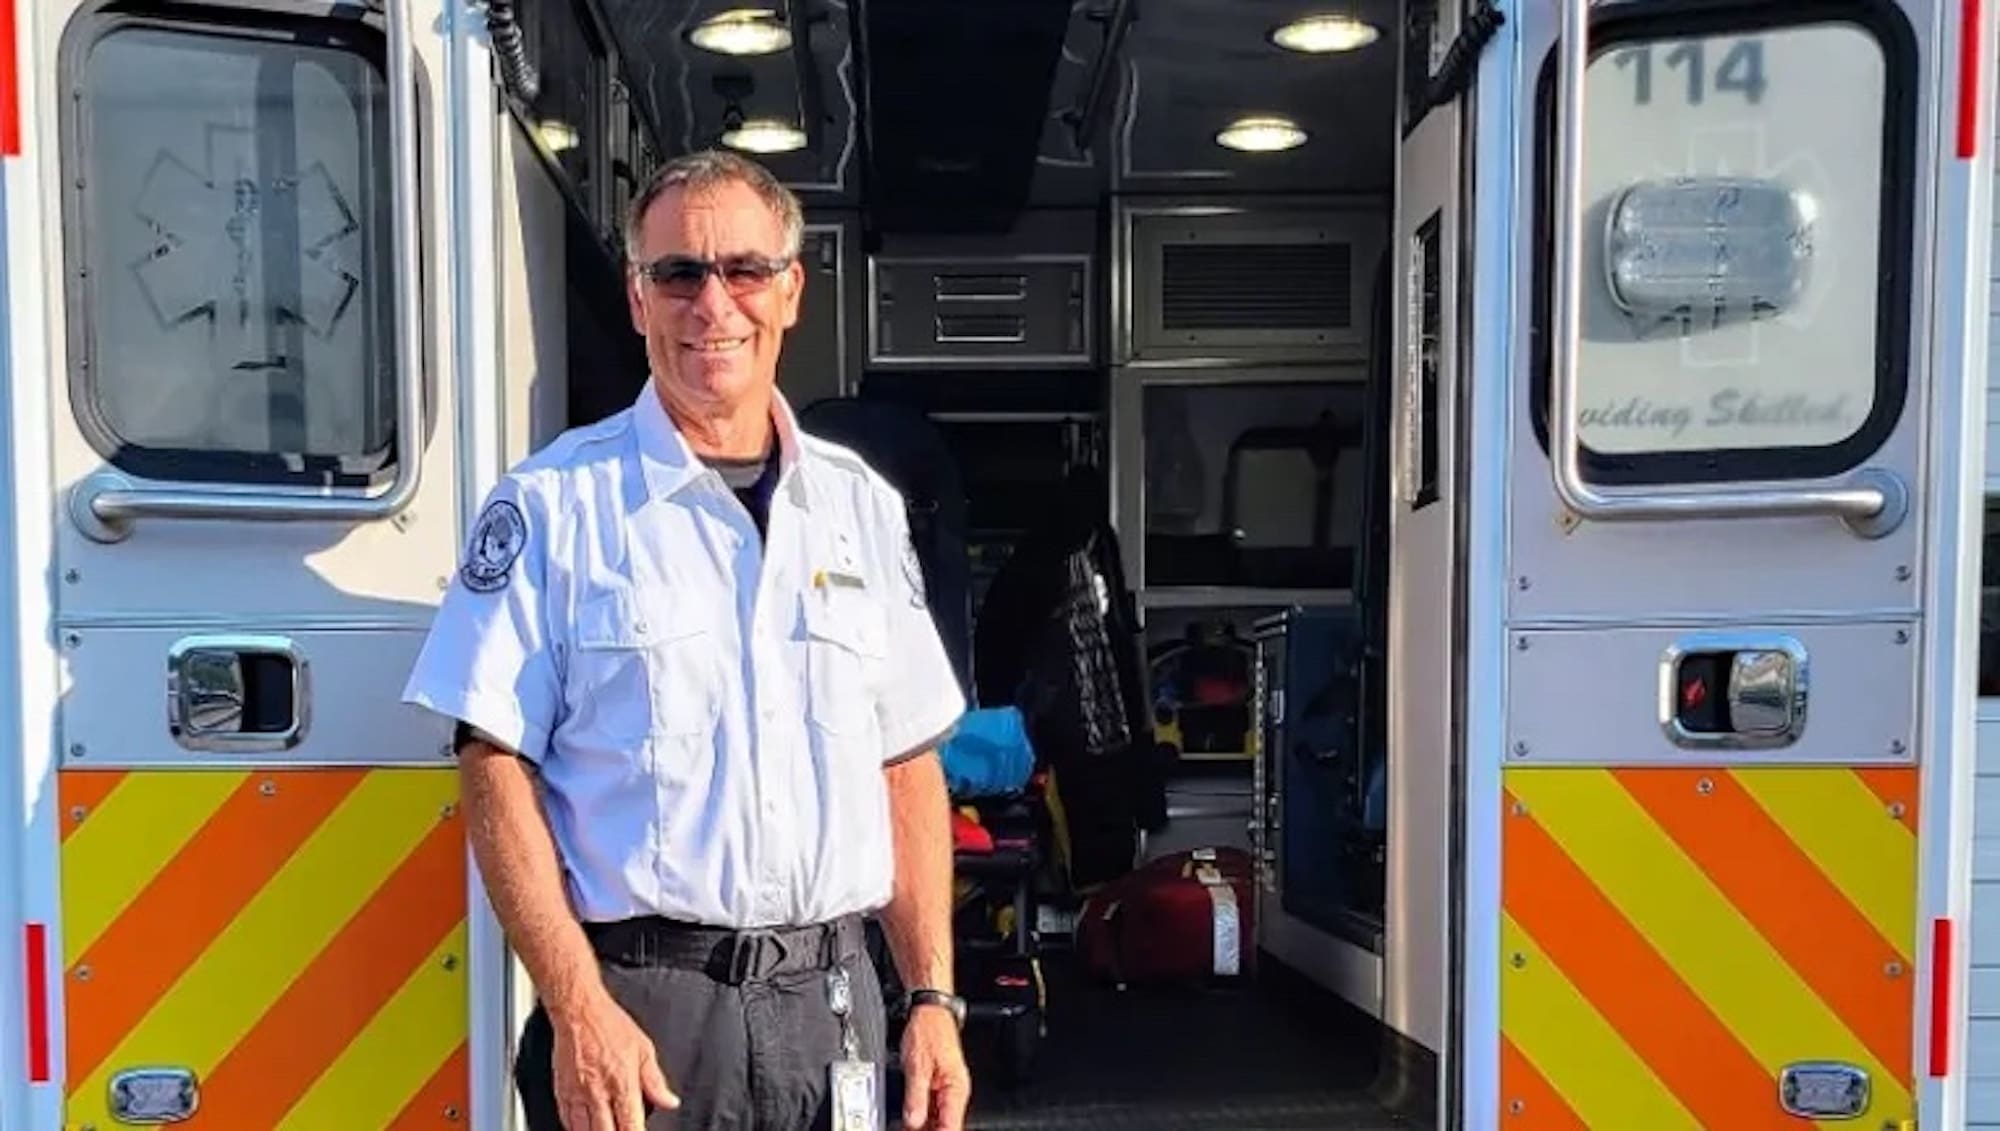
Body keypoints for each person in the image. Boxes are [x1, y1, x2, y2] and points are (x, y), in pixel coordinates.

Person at [401, 149, 971, 1131]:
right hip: (642, 1011)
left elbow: (905, 764)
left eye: (744, 270)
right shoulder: (553, 506)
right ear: (637, 298)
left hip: (831, 1006)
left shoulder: (858, 510)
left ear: (789, 291)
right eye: (679, 274)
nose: (715, 304)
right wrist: (577, 1006)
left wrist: (929, 1001)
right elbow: (493, 768)